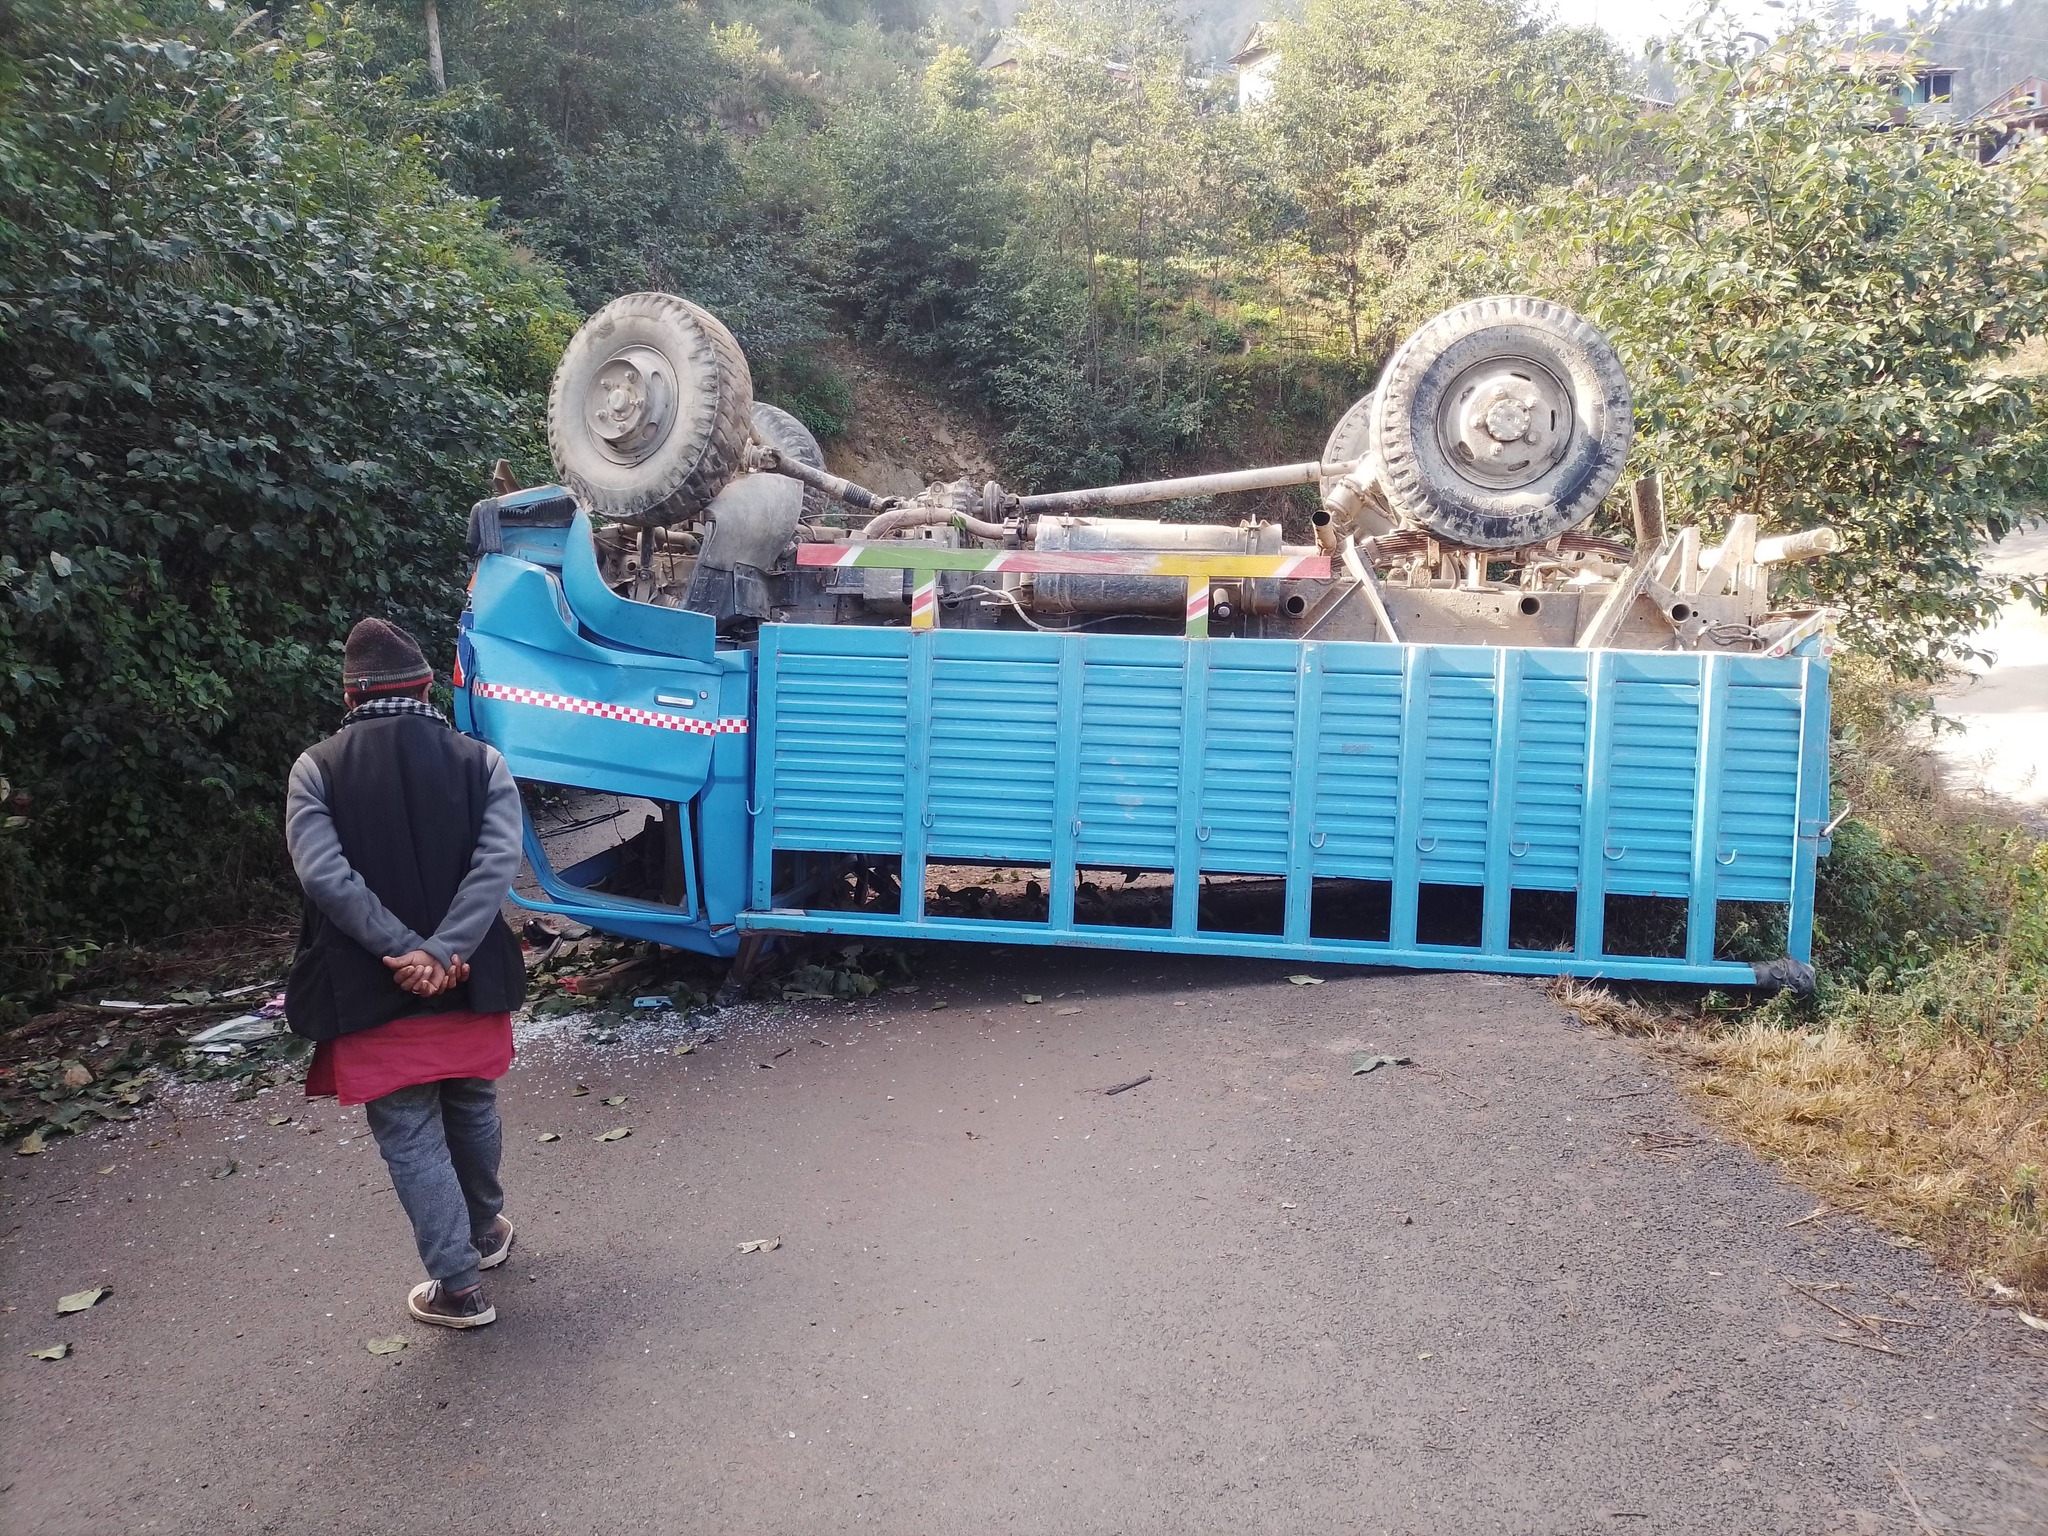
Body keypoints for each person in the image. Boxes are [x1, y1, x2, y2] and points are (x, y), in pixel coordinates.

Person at [284, 617, 526, 1329]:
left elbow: (325, 877)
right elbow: (497, 863)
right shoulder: (483, 762)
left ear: (350, 697)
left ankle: (459, 1287)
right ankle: (485, 1233)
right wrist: (447, 951)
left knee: (409, 1129)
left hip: (371, 983)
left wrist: (404, 952)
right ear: (426, 688)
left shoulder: (315, 769)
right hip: (469, 977)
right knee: (472, 1103)